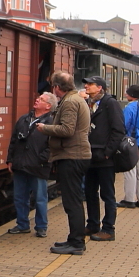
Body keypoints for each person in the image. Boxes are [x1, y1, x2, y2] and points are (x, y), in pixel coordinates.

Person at [36, 71, 92, 255]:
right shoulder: (76, 99)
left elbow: (67, 130)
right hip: (75, 155)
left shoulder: (70, 102)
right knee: (73, 200)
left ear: (57, 87)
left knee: (72, 201)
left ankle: (76, 243)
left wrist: (45, 128)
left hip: (72, 156)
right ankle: (74, 239)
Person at [6, 92, 58, 237]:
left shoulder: (51, 123)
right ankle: (22, 224)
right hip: (20, 165)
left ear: (48, 106)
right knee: (20, 197)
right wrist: (10, 159)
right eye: (38, 98)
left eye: (41, 99)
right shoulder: (24, 119)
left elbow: (52, 146)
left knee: (40, 198)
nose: (37, 100)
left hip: (38, 167)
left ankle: (41, 227)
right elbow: (14, 141)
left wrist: (41, 159)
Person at [81, 75, 125, 241]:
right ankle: (93, 224)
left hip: (105, 158)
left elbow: (118, 129)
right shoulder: (89, 103)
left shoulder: (109, 103)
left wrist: (108, 152)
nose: (86, 87)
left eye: (90, 84)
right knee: (90, 192)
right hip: (89, 155)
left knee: (107, 194)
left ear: (100, 87)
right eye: (86, 84)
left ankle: (108, 229)